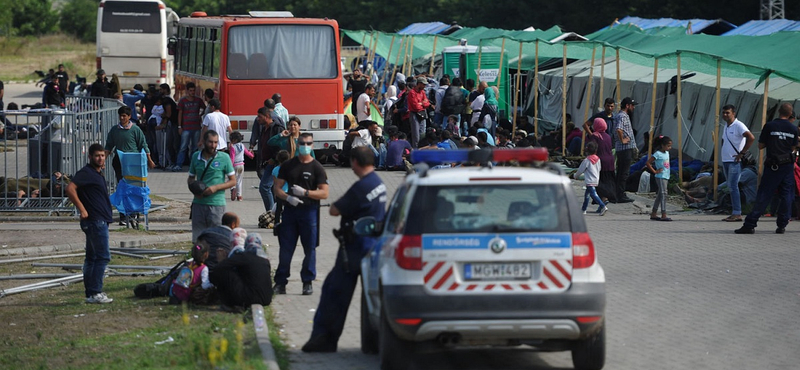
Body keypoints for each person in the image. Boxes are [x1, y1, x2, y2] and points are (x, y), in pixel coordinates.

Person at [301, 146, 387, 352]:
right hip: (373, 246)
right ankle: (374, 343)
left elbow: (334, 210)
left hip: (355, 247)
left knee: (334, 291)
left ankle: (324, 340)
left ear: (355, 162)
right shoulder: (379, 183)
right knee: (372, 298)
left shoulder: (362, 186)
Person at [273, 132, 329, 295]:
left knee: (309, 248)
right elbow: (277, 188)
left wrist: (306, 193)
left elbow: (324, 193)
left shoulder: (317, 167)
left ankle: (307, 282)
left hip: (309, 211)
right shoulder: (288, 165)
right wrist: (288, 197)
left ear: (312, 145)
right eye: (302, 143)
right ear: (298, 145)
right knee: (286, 247)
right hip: (290, 211)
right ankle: (280, 282)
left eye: (308, 143)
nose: (305, 146)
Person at [736, 104, 798, 234]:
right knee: (786, 195)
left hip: (773, 166)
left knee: (764, 195)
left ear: (779, 112)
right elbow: (793, 148)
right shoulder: (793, 129)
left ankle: (750, 224)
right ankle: (782, 225)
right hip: (787, 166)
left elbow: (760, 145)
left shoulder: (770, 126)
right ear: (791, 114)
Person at [65, 144, 114, 304]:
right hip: (94, 221)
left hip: (99, 220)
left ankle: (91, 293)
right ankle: (95, 292)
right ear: (90, 157)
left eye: (102, 156)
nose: (100, 158)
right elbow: (70, 188)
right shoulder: (86, 173)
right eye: (97, 156)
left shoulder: (97, 173)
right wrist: (82, 209)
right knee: (102, 257)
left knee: (92, 258)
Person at [187, 130, 236, 243]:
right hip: (198, 204)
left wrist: (215, 188)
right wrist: (194, 190)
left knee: (217, 239)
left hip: (216, 205)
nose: (213, 145)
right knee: (198, 240)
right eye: (210, 142)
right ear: (204, 141)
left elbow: (233, 181)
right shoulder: (195, 157)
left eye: (216, 142)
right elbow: (190, 178)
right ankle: (198, 260)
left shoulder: (224, 157)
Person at [209, 233, 274, 313]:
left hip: (249, 298)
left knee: (226, 272)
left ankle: (228, 304)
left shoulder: (243, 256)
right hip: (266, 299)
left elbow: (221, 267)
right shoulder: (265, 261)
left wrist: (221, 261)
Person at [720, 105, 755, 222]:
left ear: (733, 113)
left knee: (733, 186)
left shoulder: (739, 125)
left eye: (727, 113)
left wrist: (742, 153)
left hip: (734, 161)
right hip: (726, 160)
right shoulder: (726, 125)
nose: (725, 115)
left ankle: (737, 213)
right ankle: (735, 211)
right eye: (724, 113)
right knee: (730, 186)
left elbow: (751, 137)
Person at [104, 106, 155, 184]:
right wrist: (103, 161)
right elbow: (108, 146)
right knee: (121, 182)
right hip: (119, 160)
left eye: (124, 116)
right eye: (120, 115)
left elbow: (143, 145)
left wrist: (149, 160)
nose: (122, 118)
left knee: (133, 183)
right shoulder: (114, 130)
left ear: (129, 116)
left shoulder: (135, 129)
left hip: (133, 160)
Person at [255, 106, 285, 213]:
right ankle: (275, 213)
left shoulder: (277, 128)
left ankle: (271, 213)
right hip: (266, 162)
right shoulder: (264, 128)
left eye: (260, 116)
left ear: (267, 116)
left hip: (275, 163)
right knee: (272, 189)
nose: (258, 119)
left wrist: (274, 158)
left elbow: (281, 147)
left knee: (264, 187)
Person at [173, 82, 206, 171]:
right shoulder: (183, 101)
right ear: (187, 91)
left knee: (195, 148)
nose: (192, 92)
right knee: (183, 147)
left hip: (196, 127)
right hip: (186, 128)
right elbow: (180, 113)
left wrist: (200, 115)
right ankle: (179, 164)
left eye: (193, 90)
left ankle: (193, 165)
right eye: (190, 90)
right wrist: (180, 126)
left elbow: (205, 108)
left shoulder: (198, 100)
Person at [573, 141, 608, 216]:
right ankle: (583, 209)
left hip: (589, 180)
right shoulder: (598, 159)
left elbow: (580, 170)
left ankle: (603, 206)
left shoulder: (586, 160)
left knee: (593, 194)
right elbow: (599, 169)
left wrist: (575, 176)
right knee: (587, 195)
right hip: (596, 179)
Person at [587, 117, 616, 203]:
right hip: (610, 161)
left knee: (598, 181)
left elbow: (592, 149)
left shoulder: (594, 136)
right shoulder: (608, 136)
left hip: (600, 161)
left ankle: (603, 198)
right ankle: (607, 197)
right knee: (608, 180)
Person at [614, 97, 638, 203]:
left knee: (621, 172)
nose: (634, 107)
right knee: (623, 173)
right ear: (627, 106)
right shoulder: (622, 116)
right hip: (624, 148)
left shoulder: (623, 115)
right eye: (632, 105)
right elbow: (619, 129)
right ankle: (620, 194)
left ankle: (618, 192)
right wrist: (623, 140)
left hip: (625, 148)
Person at [645, 136, 673, 221]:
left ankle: (654, 213)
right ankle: (663, 214)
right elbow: (648, 163)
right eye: (668, 146)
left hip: (666, 175)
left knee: (660, 194)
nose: (669, 148)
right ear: (662, 145)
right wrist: (654, 171)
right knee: (664, 193)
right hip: (660, 176)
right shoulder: (657, 154)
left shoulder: (666, 153)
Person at [228, 131, 253, 201]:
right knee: (239, 180)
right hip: (241, 165)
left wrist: (230, 165)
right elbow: (247, 153)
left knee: (232, 179)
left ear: (234, 140)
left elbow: (232, 157)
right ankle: (239, 196)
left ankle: (233, 188)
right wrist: (251, 156)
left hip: (234, 165)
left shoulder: (233, 147)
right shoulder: (242, 145)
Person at [407, 77, 431, 148]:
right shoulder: (412, 92)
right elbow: (416, 106)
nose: (424, 86)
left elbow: (427, 103)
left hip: (422, 114)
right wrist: (423, 104)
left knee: (422, 134)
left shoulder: (422, 92)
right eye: (423, 84)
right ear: (419, 84)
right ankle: (416, 150)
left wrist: (421, 104)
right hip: (414, 114)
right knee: (416, 136)